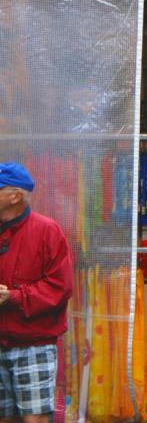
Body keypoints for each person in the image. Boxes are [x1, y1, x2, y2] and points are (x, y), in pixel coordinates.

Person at [0, 162, 73, 423]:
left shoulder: (46, 230)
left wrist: (14, 296)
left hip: (33, 341)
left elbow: (60, 288)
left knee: (35, 419)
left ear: (15, 196)